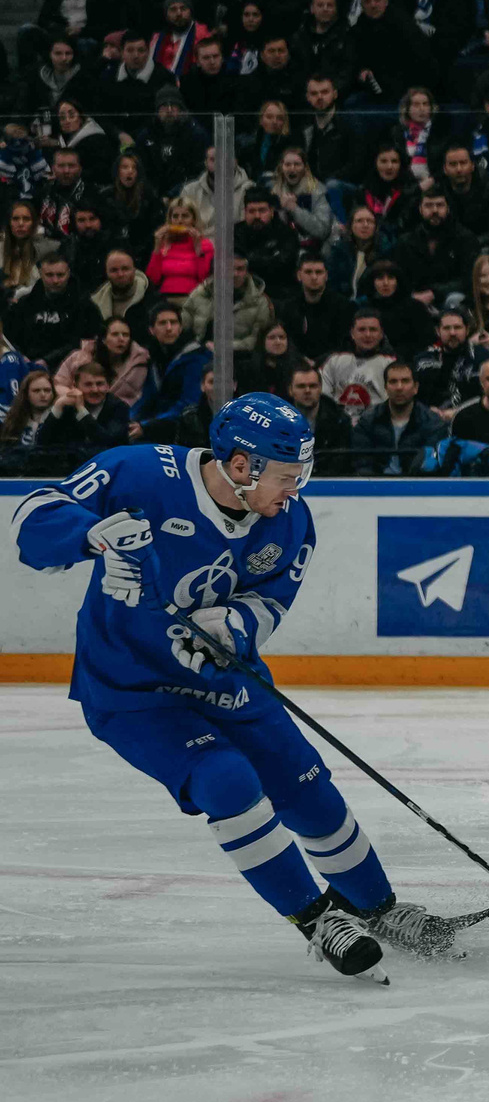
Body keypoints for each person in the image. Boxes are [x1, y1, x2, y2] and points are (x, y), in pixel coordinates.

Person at [10, 395, 450, 979]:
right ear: (242, 467)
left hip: (226, 682)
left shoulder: (290, 520)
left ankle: (379, 908)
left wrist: (236, 625)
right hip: (131, 691)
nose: (295, 491)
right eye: (288, 477)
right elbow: (31, 517)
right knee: (226, 780)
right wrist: (92, 537)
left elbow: (271, 598)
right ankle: (318, 920)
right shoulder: (139, 471)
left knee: (309, 794)